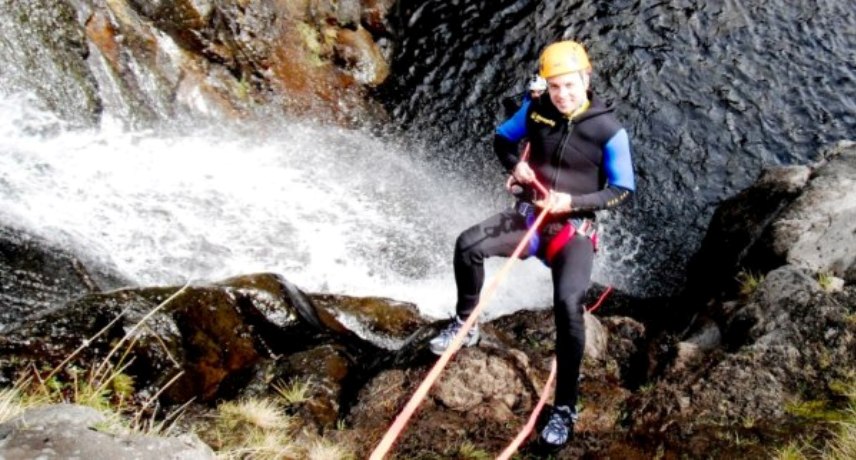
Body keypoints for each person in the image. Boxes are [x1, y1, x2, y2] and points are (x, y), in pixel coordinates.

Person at [428, 40, 636, 448]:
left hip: (571, 231)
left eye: (570, 86)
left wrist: (572, 202)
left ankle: (564, 407)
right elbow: (502, 140)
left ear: (586, 80)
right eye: (555, 86)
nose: (563, 94)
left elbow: (623, 189)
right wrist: (515, 168)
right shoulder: (536, 109)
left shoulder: (608, 131)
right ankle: (465, 324)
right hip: (529, 219)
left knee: (567, 307)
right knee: (468, 245)